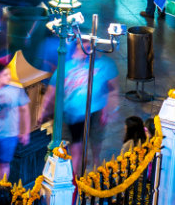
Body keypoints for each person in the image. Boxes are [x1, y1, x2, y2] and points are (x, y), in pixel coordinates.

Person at [40, 42, 118, 175]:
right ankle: (73, 176)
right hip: (70, 113)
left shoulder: (104, 65)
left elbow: (112, 89)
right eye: (81, 47)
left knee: (95, 139)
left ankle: (95, 163)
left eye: (87, 48)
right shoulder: (66, 66)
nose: (82, 51)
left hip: (95, 110)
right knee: (74, 146)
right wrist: (42, 111)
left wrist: (109, 109)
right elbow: (51, 91)